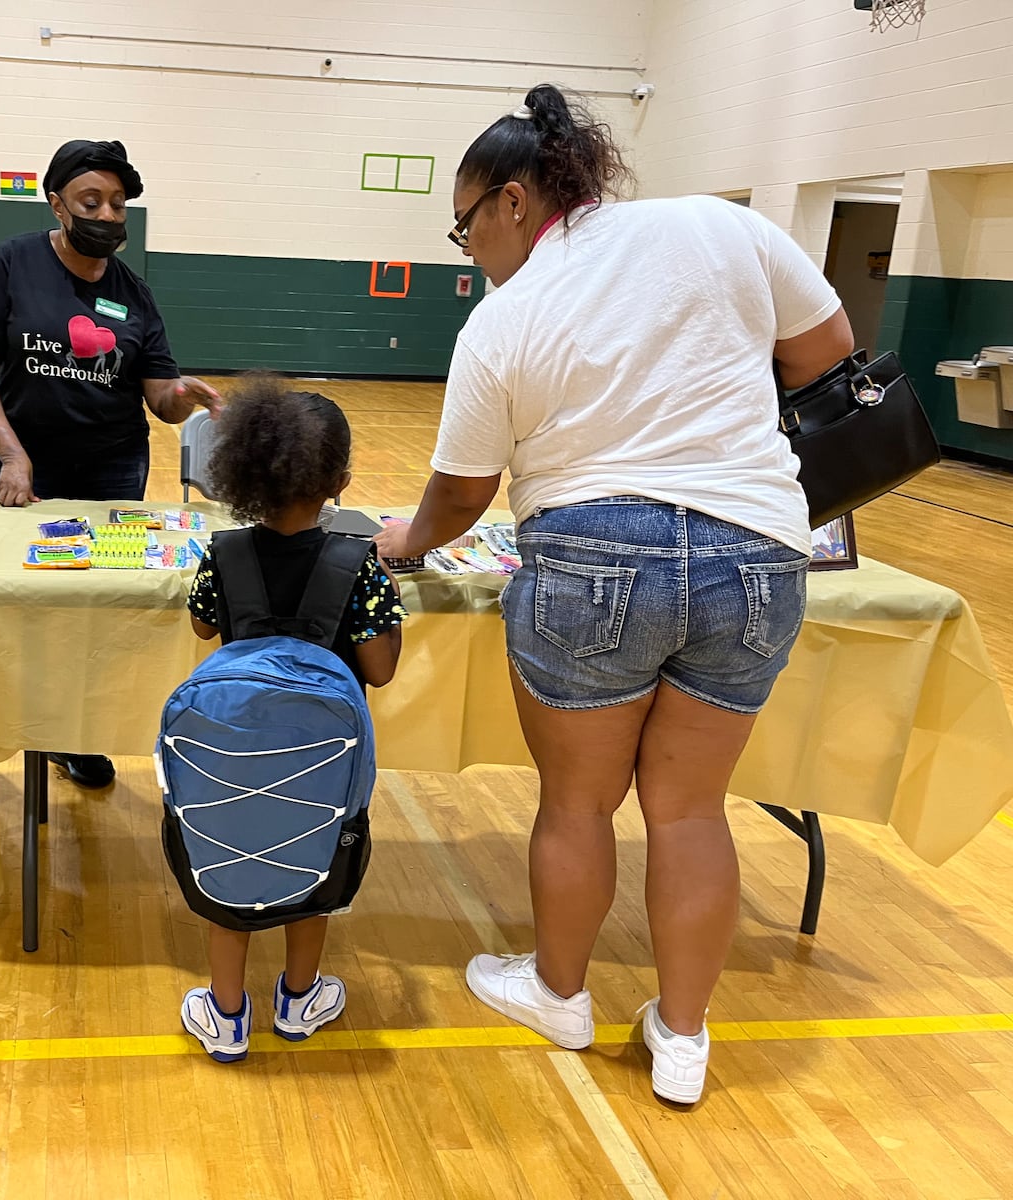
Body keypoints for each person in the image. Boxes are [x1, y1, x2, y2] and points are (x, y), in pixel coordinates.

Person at [374, 84, 854, 1104]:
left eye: (464, 227)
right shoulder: (722, 226)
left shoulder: (504, 321)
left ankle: (559, 992)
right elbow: (827, 357)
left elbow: (461, 495)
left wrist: (402, 541)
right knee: (688, 810)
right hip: (759, 553)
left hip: (594, 555)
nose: (470, 249)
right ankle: (682, 1041)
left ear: (510, 202)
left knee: (578, 800)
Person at [0, 138, 221, 790]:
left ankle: (74, 732)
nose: (107, 214)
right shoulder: (12, 263)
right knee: (22, 606)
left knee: (95, 610)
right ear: (57, 203)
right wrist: (12, 456)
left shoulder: (134, 293)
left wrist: (180, 395)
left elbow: (159, 397)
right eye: (91, 201)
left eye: (117, 203)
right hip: (30, 472)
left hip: (112, 472)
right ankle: (13, 719)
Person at [177, 378, 406, 1062]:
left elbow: (200, 624)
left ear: (241, 469)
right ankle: (300, 1001)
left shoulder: (224, 554)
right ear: (339, 480)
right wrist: (388, 600)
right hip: (322, 760)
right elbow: (381, 668)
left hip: (234, 750)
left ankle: (224, 1014)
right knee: (313, 868)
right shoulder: (358, 565)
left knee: (232, 865)